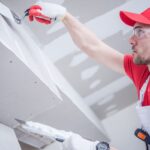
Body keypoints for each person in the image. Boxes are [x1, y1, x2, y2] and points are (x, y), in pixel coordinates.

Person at [25, 2, 150, 150]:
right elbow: (93, 47)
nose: (131, 39)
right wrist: (64, 16)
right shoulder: (142, 71)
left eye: (140, 32)